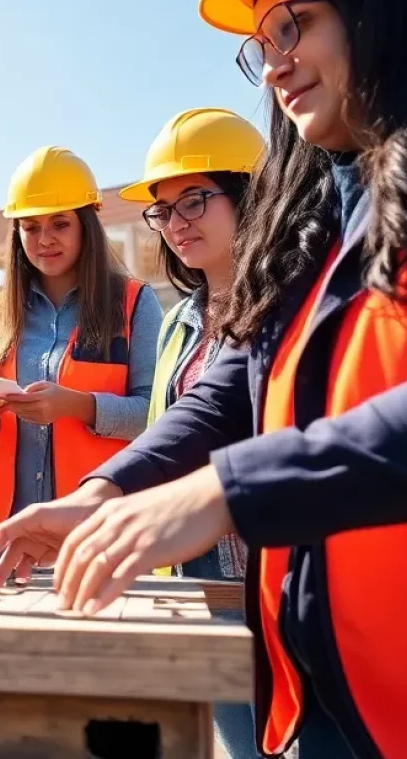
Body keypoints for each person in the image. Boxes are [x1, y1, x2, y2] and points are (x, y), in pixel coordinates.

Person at [0, 0, 407, 759]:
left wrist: (225, 493)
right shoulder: (323, 226)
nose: (273, 63)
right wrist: (106, 491)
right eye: (260, 41)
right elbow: (229, 394)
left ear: (391, 1)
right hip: (332, 700)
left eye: (294, 24)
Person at [120, 107, 264, 759]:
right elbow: (170, 432)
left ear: (251, 195)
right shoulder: (180, 322)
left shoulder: (295, 302)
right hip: (197, 573)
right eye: (164, 209)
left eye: (196, 201)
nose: (176, 224)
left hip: (276, 572)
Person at [0, 145, 162, 555]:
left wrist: (78, 406)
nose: (44, 239)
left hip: (97, 530)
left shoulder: (135, 304)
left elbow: (157, 415)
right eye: (30, 227)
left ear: (86, 225)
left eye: (59, 224)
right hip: (1, 532)